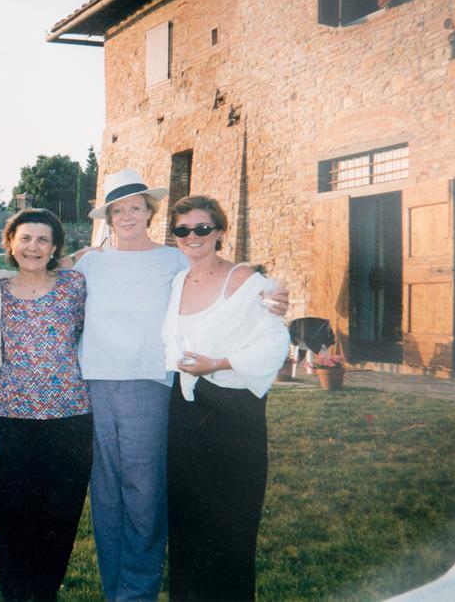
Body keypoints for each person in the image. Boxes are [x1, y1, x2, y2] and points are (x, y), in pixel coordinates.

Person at [69, 169, 289, 601]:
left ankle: (138, 591)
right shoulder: (89, 262)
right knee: (107, 498)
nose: (127, 215)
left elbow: (228, 285)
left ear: (150, 212)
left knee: (145, 495)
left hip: (149, 387)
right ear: (108, 217)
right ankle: (115, 589)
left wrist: (271, 296)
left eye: (135, 207)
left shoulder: (172, 261)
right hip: (95, 387)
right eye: (118, 209)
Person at [161, 195, 288, 601]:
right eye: (182, 230)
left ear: (219, 232)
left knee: (230, 527)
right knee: (187, 523)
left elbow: (274, 342)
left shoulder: (244, 278)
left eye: (202, 228)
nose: (192, 237)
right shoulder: (178, 280)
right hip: (185, 412)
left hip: (233, 415)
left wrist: (216, 363)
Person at [0, 208, 91, 602]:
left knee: (59, 517)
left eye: (43, 240)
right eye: (25, 238)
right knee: (9, 515)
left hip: (69, 419)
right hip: (9, 418)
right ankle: (14, 592)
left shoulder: (74, 285)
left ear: (55, 248)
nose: (33, 247)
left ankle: (46, 592)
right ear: (10, 243)